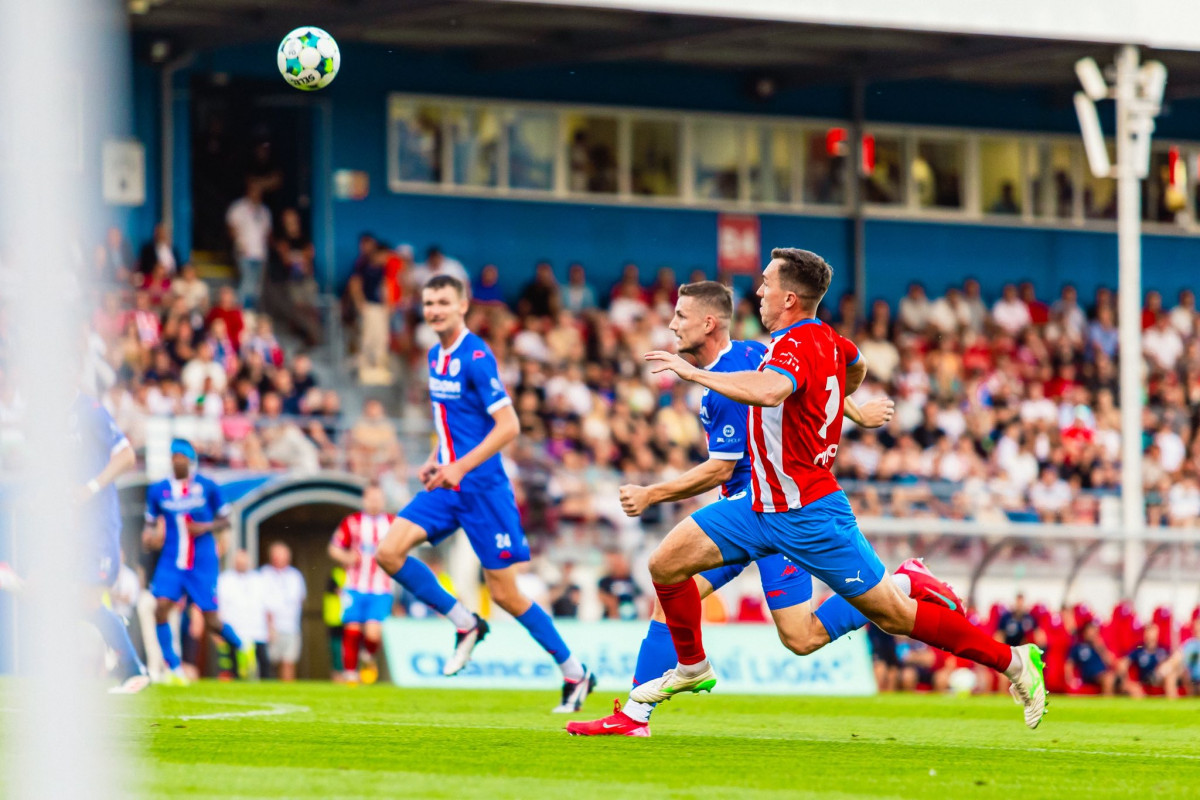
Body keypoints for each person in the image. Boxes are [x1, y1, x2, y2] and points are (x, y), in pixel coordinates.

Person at [627, 249, 1046, 730]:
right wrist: (853, 410)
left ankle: (1012, 660)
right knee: (666, 564)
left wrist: (693, 373)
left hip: (809, 513)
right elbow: (855, 367)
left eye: (766, 283)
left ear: (789, 298)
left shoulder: (796, 344)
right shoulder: (826, 340)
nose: (758, 291)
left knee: (892, 616)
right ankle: (690, 669)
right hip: (758, 506)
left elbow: (771, 391)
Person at [568, 281, 951, 737]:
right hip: (743, 512)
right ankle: (635, 715)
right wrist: (855, 413)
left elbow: (721, 467)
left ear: (708, 323)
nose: (671, 324)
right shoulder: (756, 353)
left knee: (800, 637)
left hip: (775, 513)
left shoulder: (723, 387)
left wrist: (653, 493)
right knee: (672, 591)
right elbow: (805, 385)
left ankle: (903, 581)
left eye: (680, 316)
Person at [374, 274, 595, 713]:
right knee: (388, 553)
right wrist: (437, 457)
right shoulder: (435, 356)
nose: (434, 310)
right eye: (429, 302)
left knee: (505, 595)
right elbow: (454, 420)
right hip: (448, 483)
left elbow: (509, 425)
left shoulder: (476, 356)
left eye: (443, 302)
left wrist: (458, 465)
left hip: (483, 490)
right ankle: (465, 624)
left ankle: (575, 673)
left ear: (463, 305)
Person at [143, 438, 255, 685]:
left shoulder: (207, 486)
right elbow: (150, 522)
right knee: (160, 607)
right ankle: (173, 667)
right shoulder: (158, 489)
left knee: (210, 619)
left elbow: (226, 519)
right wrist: (148, 536)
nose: (178, 461)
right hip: (172, 559)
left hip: (202, 561)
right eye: (175, 457)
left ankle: (241, 645)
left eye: (183, 457)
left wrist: (205, 527)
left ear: (190, 460)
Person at [75, 393, 150, 693]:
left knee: (87, 601)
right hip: (75, 525)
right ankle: (130, 665)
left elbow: (127, 455)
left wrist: (91, 487)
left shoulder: (90, 410)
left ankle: (132, 668)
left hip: (96, 525)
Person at [328, 484, 395, 685]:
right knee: (352, 629)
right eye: (371, 498)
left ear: (383, 500)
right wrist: (347, 557)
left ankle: (367, 656)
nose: (374, 503)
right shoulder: (353, 522)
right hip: (355, 586)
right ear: (364, 500)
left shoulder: (392, 523)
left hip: (381, 588)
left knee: (373, 633)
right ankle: (350, 674)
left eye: (377, 499)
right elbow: (334, 548)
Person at [217, 549, 271, 680]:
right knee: (233, 666)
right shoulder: (225, 579)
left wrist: (270, 627)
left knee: (264, 663)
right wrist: (218, 630)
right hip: (234, 629)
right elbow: (219, 606)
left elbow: (267, 606)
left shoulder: (259, 579)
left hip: (257, 630)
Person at [261, 541, 307, 681]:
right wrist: (269, 626)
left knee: (289, 661)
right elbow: (263, 603)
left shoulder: (295, 575)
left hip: (291, 627)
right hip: (271, 628)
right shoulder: (264, 574)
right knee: (270, 663)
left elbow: (301, 598)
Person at [226, 180, 272, 309]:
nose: (256, 193)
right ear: (248, 191)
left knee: (257, 286)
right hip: (244, 251)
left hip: (260, 254)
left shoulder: (264, 211)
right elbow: (231, 227)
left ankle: (252, 310)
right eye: (253, 190)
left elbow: (267, 232)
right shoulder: (239, 207)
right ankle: (240, 310)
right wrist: (238, 244)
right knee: (247, 282)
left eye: (259, 191)